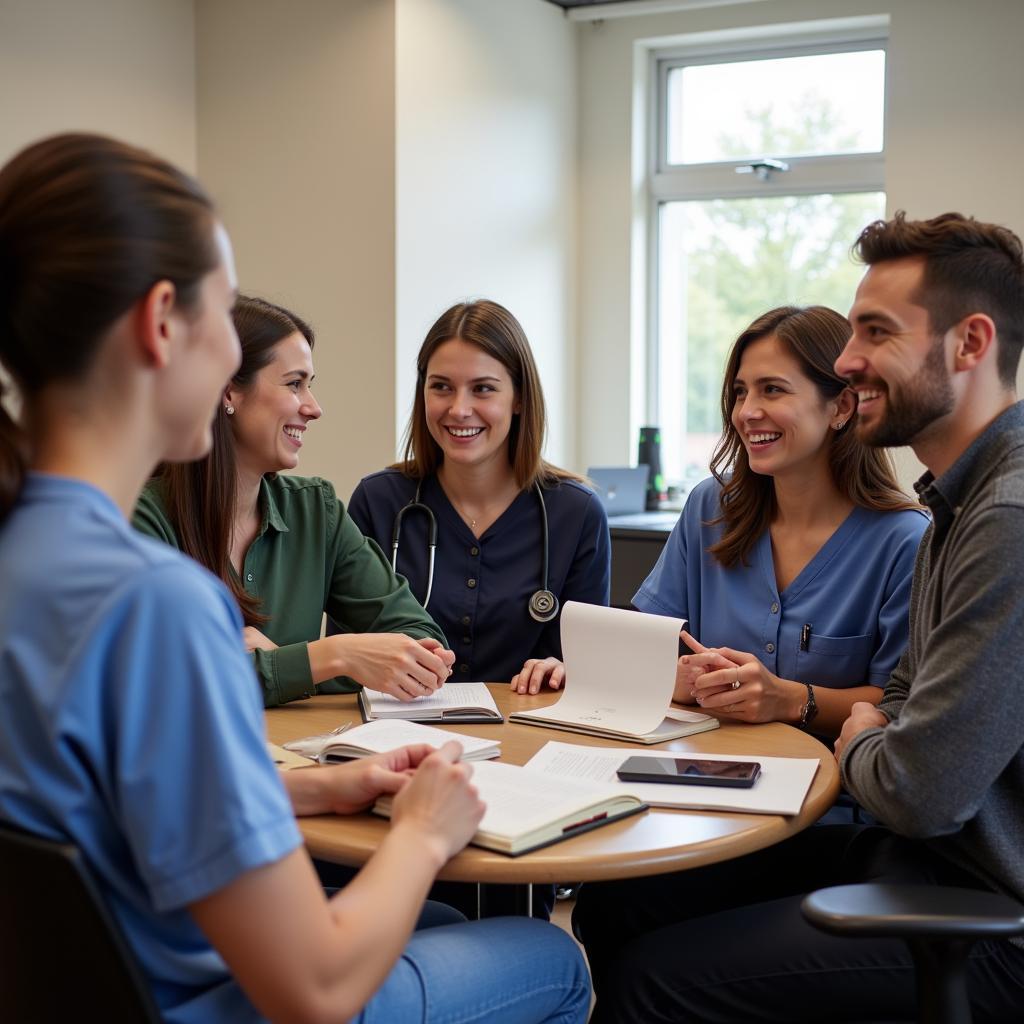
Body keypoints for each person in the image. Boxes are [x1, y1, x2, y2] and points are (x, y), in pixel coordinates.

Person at [0, 132, 590, 1024]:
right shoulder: (158, 602)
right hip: (212, 998)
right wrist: (428, 832)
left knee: (428, 918)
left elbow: (102, 805)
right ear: (163, 324)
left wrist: (321, 785)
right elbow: (314, 989)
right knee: (551, 955)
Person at [573, 212, 1024, 1022]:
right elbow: (901, 712)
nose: (850, 362)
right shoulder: (956, 503)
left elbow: (917, 782)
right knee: (616, 908)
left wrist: (850, 725)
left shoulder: (1003, 518)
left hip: (983, 907)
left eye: (875, 333)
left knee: (652, 981)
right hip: (913, 855)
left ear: (970, 344)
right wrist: (879, 729)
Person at [134, 294, 454, 708]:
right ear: (229, 390)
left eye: (310, 385)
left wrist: (286, 664)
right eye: (294, 383)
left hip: (302, 760)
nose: (314, 408)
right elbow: (169, 682)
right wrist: (331, 656)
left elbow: (424, 647)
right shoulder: (141, 519)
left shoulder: (316, 511)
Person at [634, 305, 927, 737]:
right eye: (740, 392)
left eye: (772, 390)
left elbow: (898, 706)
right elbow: (644, 650)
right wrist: (672, 676)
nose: (747, 412)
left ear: (842, 407)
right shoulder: (709, 507)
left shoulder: (905, 541)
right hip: (694, 776)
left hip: (829, 794)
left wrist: (789, 698)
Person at [347, 299, 610, 690]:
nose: (459, 408)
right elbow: (346, 654)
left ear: (519, 398)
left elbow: (591, 662)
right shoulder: (378, 501)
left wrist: (567, 667)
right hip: (400, 733)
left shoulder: (576, 512)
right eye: (441, 387)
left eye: (483, 389)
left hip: (526, 737)